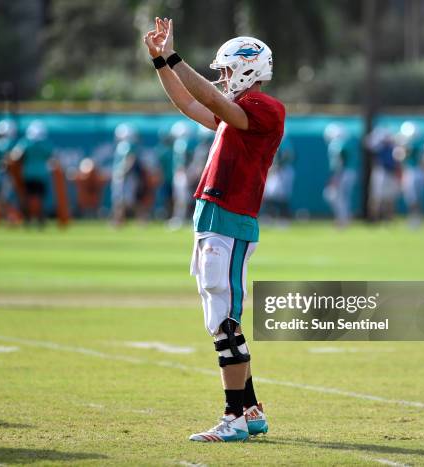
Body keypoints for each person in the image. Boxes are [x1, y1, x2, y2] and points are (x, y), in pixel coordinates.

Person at [144, 18, 285, 442]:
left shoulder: (265, 108)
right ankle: (252, 409)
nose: (222, 78)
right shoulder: (238, 112)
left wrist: (174, 57)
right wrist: (160, 64)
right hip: (214, 217)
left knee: (224, 321)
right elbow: (190, 104)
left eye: (226, 70)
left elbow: (207, 96)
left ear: (249, 67)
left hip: (229, 218)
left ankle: (234, 417)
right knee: (222, 318)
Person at [10, 120, 52, 226]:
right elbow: (52, 157)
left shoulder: (26, 143)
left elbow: (15, 156)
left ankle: (28, 219)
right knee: (39, 198)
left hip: (28, 175)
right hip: (41, 175)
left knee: (28, 198)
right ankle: (39, 219)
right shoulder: (45, 144)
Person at [323, 124, 356, 227]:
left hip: (343, 173)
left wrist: (336, 176)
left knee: (335, 196)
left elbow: (339, 161)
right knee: (342, 197)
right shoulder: (346, 143)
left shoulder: (336, 144)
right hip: (349, 172)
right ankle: (344, 219)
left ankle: (342, 220)